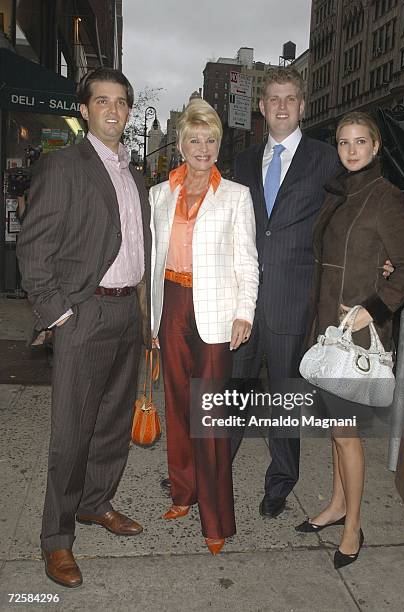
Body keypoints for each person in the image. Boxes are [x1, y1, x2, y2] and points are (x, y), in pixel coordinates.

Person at [17, 67, 151, 588]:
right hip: (85, 314)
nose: (113, 110)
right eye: (103, 101)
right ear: (85, 109)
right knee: (71, 433)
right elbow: (34, 248)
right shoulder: (63, 165)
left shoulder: (134, 174)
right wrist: (58, 312)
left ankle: (97, 503)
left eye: (121, 102)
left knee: (113, 423)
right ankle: (56, 539)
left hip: (126, 314)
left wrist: (144, 313)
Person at [295, 111, 404, 568]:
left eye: (360, 143)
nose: (351, 151)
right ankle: (336, 506)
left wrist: (373, 307)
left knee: (347, 435)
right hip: (328, 332)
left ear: (375, 148)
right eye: (344, 143)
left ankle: (353, 527)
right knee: (335, 430)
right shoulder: (340, 192)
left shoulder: (384, 197)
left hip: (357, 338)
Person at [231, 67, 340, 519]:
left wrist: (384, 257)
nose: (280, 106)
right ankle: (208, 472)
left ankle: (280, 482)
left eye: (289, 98)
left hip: (293, 302)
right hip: (242, 304)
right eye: (273, 98)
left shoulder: (326, 159)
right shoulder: (240, 162)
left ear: (302, 105)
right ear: (261, 107)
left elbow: (352, 215)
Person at [150, 98, 258, 554]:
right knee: (177, 404)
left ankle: (216, 520)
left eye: (210, 139)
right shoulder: (159, 194)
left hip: (215, 311)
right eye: (194, 138)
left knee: (210, 414)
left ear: (218, 145)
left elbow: (247, 262)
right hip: (171, 303)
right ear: (180, 143)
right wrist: (151, 318)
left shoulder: (235, 195)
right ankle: (183, 492)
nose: (203, 146)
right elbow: (152, 261)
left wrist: (244, 312)